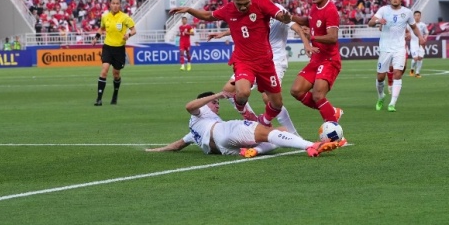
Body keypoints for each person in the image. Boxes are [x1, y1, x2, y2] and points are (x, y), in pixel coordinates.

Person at [170, 0, 292, 127]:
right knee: (242, 93)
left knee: (276, 103)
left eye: (246, 3)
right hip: (243, 61)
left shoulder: (261, 3)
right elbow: (208, 16)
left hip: (265, 61)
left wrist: (284, 18)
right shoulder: (228, 9)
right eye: (239, 4)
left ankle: (263, 121)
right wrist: (190, 10)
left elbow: (279, 15)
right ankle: (242, 108)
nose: (242, 7)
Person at [208, 0, 313, 135]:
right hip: (251, 58)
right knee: (229, 90)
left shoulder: (278, 10)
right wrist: (223, 33)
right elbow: (245, 27)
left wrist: (306, 44)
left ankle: (292, 133)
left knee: (268, 98)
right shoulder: (253, 7)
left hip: (274, 59)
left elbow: (296, 26)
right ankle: (252, 120)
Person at [145, 91, 339, 158]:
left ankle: (257, 151)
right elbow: (189, 106)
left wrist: (157, 150)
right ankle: (310, 146)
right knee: (267, 132)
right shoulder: (201, 112)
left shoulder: (195, 128)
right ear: (205, 103)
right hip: (223, 132)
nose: (217, 106)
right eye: (215, 103)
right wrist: (217, 95)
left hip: (224, 149)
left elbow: (178, 144)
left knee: (279, 131)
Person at [290, 0, 344, 126]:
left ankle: (335, 134)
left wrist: (312, 37)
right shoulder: (315, 7)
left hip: (329, 60)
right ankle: (331, 111)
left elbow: (333, 37)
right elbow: (309, 21)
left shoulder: (331, 10)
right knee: (296, 90)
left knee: (318, 95)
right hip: (316, 59)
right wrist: (290, 17)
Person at [369, 0, 426, 112]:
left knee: (397, 74)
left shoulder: (407, 12)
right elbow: (370, 23)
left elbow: (414, 27)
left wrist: (421, 37)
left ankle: (392, 103)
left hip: (399, 48)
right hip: (385, 49)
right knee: (380, 77)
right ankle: (381, 97)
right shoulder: (383, 10)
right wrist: (379, 20)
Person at [92, 0, 137, 105]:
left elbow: (134, 30)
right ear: (110, 4)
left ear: (120, 5)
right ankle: (99, 99)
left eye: (117, 3)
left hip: (119, 49)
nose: (115, 5)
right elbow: (102, 28)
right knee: (104, 70)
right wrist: (96, 38)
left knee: (116, 73)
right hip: (107, 47)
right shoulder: (105, 16)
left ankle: (115, 94)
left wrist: (128, 35)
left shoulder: (125, 17)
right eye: (113, 3)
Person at [409, 11, 429, 78]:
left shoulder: (423, 25)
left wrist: (425, 38)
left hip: (421, 43)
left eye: (418, 15)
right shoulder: (411, 24)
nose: (417, 17)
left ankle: (417, 73)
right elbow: (406, 32)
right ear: (413, 16)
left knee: (420, 58)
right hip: (413, 43)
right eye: (416, 15)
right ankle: (412, 69)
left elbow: (426, 33)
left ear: (420, 16)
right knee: (415, 58)